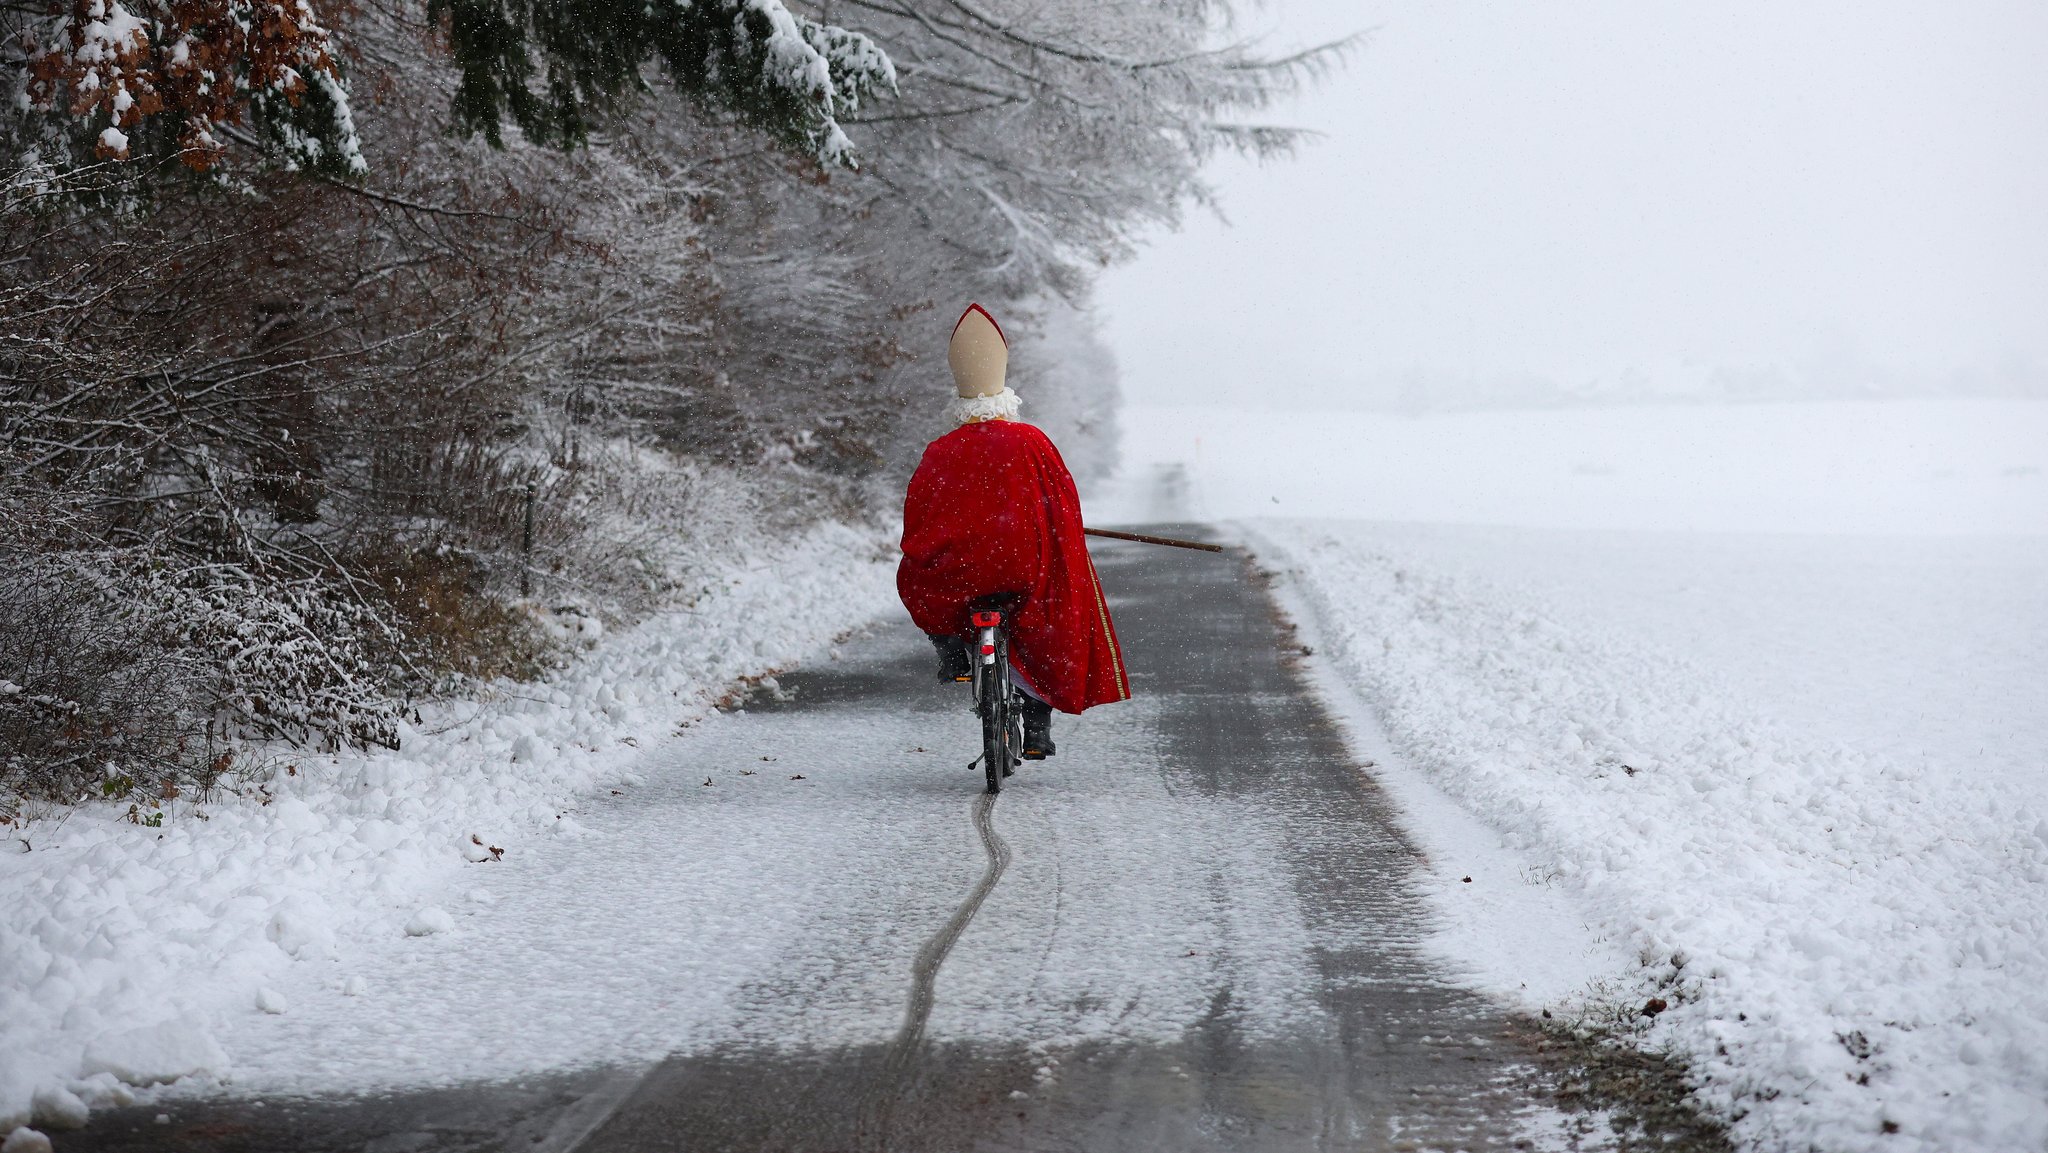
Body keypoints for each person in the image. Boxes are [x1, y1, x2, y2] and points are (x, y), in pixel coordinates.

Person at [896, 303, 1130, 759]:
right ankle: (1038, 722)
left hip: (963, 570)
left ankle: (952, 655)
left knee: (918, 582)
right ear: (1006, 397)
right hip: (1021, 564)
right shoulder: (1032, 442)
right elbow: (1063, 504)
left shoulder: (942, 449)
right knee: (1046, 615)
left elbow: (919, 516)